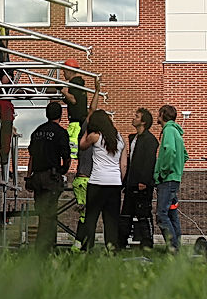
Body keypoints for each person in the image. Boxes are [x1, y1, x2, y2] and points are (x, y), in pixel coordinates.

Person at [76, 108, 128, 252]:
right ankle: (112, 249)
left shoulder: (95, 136)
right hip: (114, 183)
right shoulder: (120, 139)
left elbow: (81, 145)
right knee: (111, 220)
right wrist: (119, 180)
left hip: (97, 182)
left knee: (91, 218)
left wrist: (87, 129)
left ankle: (87, 248)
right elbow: (123, 165)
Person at [26, 101, 71, 251]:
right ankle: (44, 249)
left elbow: (31, 157)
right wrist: (63, 170)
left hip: (37, 178)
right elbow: (66, 156)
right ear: (61, 115)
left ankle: (46, 247)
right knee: (49, 215)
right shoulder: (60, 132)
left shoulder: (37, 132)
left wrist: (28, 177)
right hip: (50, 179)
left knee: (42, 214)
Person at [59, 58, 91, 249]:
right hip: (77, 123)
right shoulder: (79, 84)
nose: (63, 74)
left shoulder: (75, 84)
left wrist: (64, 92)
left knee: (73, 151)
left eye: (64, 71)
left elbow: (74, 100)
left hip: (76, 124)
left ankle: (70, 171)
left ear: (70, 71)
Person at [119, 107, 158, 249]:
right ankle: (121, 242)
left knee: (143, 214)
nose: (133, 118)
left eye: (137, 116)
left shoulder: (149, 140)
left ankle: (147, 243)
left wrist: (144, 181)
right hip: (131, 183)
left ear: (143, 122)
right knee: (126, 214)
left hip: (141, 184)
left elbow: (149, 162)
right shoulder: (133, 138)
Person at [153, 104, 188, 252]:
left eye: (158, 113)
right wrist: (177, 169)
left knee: (162, 214)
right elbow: (184, 155)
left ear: (162, 114)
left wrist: (163, 172)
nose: (157, 116)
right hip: (174, 179)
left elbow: (170, 151)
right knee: (172, 213)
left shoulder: (168, 130)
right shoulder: (176, 132)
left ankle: (173, 248)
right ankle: (177, 247)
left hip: (166, 179)